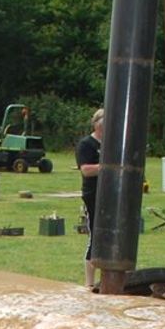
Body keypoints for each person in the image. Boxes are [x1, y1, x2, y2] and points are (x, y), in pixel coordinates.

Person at [76, 108, 103, 287]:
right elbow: (85, 170)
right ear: (96, 123)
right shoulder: (86, 144)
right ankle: (89, 283)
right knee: (95, 234)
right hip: (93, 194)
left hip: (111, 194)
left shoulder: (113, 143)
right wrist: (107, 167)